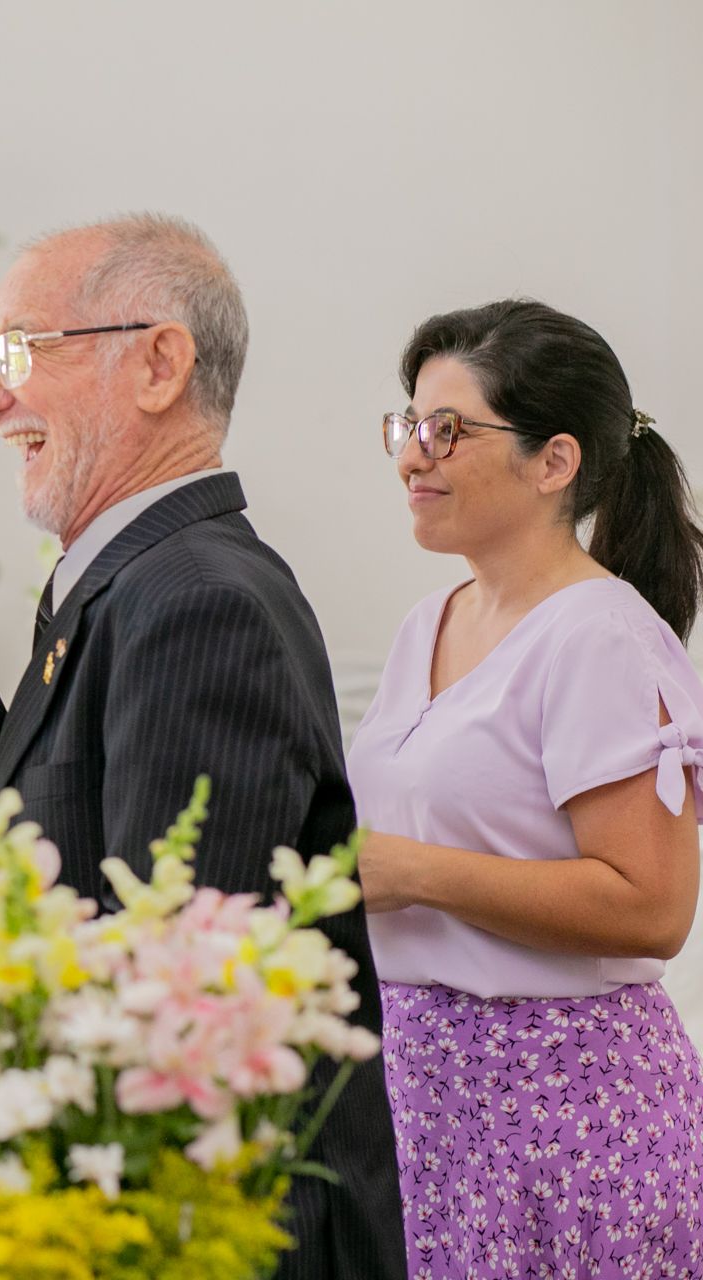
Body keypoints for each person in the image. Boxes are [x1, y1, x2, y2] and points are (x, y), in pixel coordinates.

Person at [0, 213, 406, 1278]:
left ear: (159, 362)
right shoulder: (119, 591)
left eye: (18, 352)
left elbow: (166, 1014)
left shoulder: (199, 602)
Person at [348, 299, 703, 1275]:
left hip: (559, 1113)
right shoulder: (435, 617)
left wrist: (414, 871)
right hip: (429, 1102)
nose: (414, 455)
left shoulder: (602, 635)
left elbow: (651, 905)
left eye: (448, 431)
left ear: (557, 461)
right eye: (409, 425)